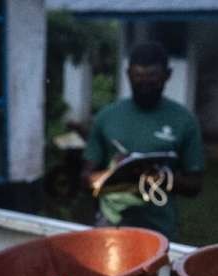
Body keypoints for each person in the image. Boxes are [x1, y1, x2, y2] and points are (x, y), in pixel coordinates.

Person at [82, 42, 204, 241]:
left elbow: (195, 184)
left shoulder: (184, 120)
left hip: (161, 231)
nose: (144, 87)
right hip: (111, 229)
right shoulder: (107, 117)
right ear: (128, 74)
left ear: (167, 75)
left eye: (152, 79)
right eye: (138, 79)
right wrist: (116, 173)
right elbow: (86, 178)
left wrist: (158, 177)